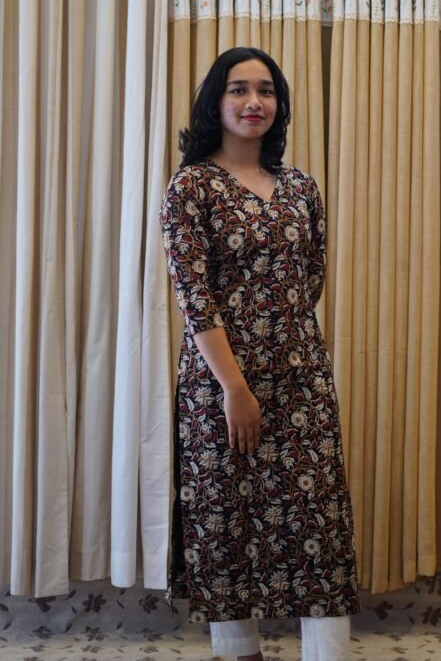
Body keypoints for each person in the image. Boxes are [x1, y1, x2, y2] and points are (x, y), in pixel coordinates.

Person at [160, 47, 360, 661]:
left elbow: (310, 279)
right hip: (220, 386)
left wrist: (284, 347)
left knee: (318, 530)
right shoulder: (191, 186)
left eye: (267, 91)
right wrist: (236, 388)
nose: (254, 102)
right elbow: (195, 297)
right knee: (226, 526)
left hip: (303, 381)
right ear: (215, 103)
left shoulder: (301, 187)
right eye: (239, 89)